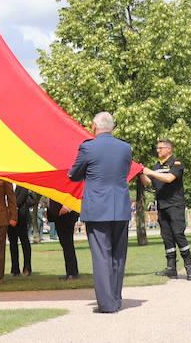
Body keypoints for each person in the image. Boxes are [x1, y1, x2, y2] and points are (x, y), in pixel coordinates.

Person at [67, 111, 133, 314]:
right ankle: (116, 298)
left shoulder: (88, 147)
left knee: (101, 256)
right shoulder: (125, 147)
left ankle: (107, 303)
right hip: (120, 206)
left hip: (97, 208)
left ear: (94, 127)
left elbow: (74, 175)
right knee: (118, 256)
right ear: (112, 127)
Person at [140, 139, 191, 279]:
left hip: (175, 205)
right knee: (167, 237)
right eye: (157, 148)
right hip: (162, 205)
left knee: (178, 234)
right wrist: (141, 173)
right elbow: (148, 183)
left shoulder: (176, 163)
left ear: (169, 149)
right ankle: (171, 268)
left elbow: (169, 178)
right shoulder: (156, 166)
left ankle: (189, 265)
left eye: (161, 148)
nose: (158, 150)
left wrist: (150, 172)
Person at [45, 194, 80, 279]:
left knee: (67, 244)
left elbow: (72, 193)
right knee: (65, 244)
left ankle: (72, 273)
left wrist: (67, 207)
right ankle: (71, 271)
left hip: (66, 214)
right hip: (58, 215)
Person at [8, 184, 34, 278]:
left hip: (21, 216)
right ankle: (15, 269)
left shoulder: (21, 184)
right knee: (12, 243)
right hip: (9, 216)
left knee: (24, 242)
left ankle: (27, 268)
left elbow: (22, 196)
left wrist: (12, 207)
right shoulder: (6, 183)